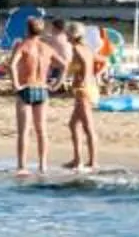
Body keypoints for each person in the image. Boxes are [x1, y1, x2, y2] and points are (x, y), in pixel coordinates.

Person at [8, 20, 60, 173]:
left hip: (27, 88)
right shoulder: (47, 48)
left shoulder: (23, 45)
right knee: (41, 130)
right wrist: (56, 84)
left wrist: (16, 84)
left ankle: (22, 166)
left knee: (24, 131)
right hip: (42, 89)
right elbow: (63, 64)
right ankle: (43, 165)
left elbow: (12, 65)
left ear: (27, 29)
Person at [62, 19, 106, 172]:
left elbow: (76, 68)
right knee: (74, 124)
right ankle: (78, 159)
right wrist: (95, 74)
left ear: (73, 35)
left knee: (88, 127)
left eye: (67, 33)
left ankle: (92, 162)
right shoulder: (86, 48)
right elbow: (104, 61)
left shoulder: (76, 49)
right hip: (89, 87)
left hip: (83, 90)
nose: (65, 36)